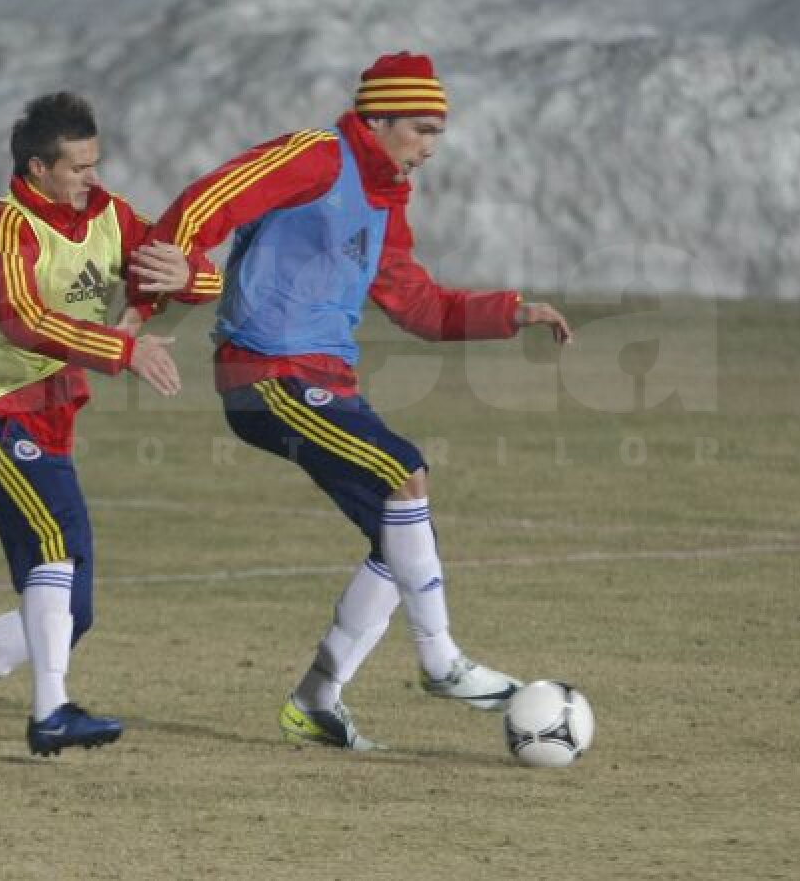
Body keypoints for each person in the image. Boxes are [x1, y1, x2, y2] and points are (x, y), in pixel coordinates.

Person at [127, 52, 573, 750]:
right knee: (404, 470)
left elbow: (420, 307)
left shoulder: (385, 201)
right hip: (267, 376)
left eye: (438, 133)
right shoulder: (315, 155)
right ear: (379, 119)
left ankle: (316, 700)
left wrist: (512, 312)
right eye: (421, 129)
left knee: (398, 537)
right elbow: (212, 198)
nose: (430, 147)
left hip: (326, 383)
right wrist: (176, 271)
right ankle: (441, 662)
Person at [0, 91, 221, 757]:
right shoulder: (3, 228)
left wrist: (190, 275)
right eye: (78, 168)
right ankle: (52, 714)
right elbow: (22, 320)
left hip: (49, 425)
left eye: (95, 164)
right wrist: (123, 348)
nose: (92, 178)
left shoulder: (109, 215)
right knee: (56, 544)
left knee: (71, 613)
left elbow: (188, 272)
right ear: (38, 168)